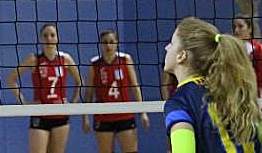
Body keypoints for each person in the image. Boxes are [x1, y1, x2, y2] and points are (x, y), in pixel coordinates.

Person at [164, 16, 262, 152]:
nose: (167, 47)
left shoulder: (180, 102)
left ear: (182, 55)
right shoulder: (234, 94)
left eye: (172, 43)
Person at [6, 24, 82, 153]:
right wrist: (24, 103)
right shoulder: (34, 59)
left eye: (52, 35)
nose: (49, 38)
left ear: (57, 38)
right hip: (40, 114)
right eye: (45, 35)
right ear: (41, 39)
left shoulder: (65, 59)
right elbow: (11, 79)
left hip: (60, 115)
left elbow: (79, 82)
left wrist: (72, 104)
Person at [82, 29, 150, 153]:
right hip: (103, 117)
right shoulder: (95, 64)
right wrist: (85, 117)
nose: (108, 45)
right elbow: (89, 92)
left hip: (125, 115)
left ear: (117, 43)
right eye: (105, 42)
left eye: (111, 42)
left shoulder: (125, 60)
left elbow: (135, 86)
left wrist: (143, 112)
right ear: (100, 44)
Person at [232, 14, 262, 96]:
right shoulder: (231, 48)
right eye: (234, 27)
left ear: (250, 29)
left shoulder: (257, 49)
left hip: (255, 94)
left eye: (240, 26)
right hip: (235, 93)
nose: (236, 30)